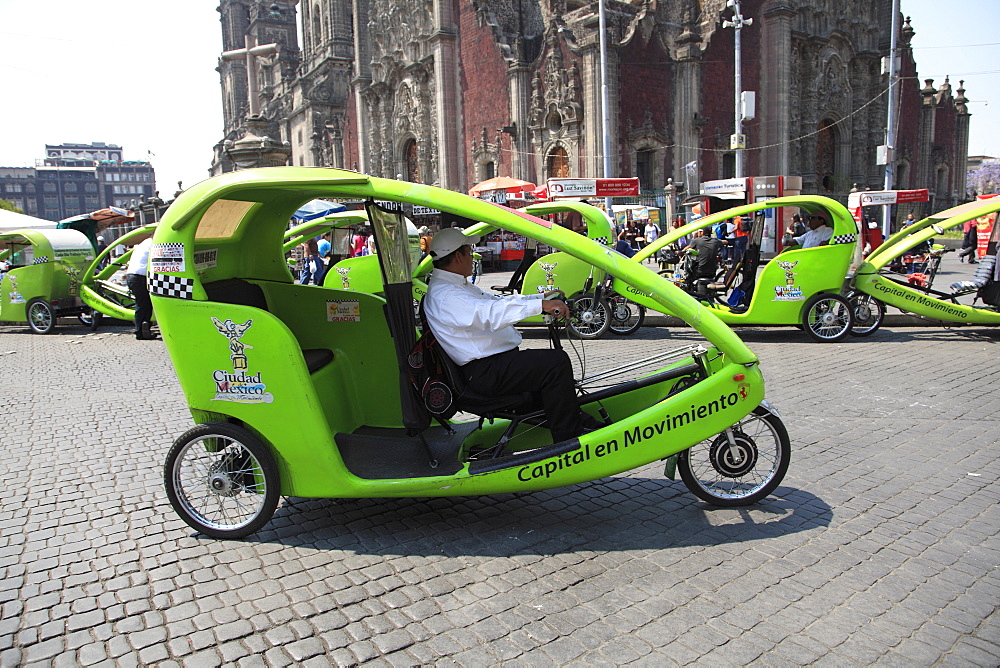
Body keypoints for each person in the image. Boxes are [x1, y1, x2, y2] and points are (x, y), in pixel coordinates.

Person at [423, 228, 598, 442]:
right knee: (555, 363)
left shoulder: (454, 285)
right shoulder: (447, 294)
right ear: (458, 256)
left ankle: (581, 422)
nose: (473, 257)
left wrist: (539, 299)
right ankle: (569, 439)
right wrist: (540, 305)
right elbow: (490, 313)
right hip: (485, 372)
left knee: (545, 370)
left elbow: (496, 302)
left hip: (492, 365)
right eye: (470, 252)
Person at [125, 237, 155, 340]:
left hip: (133, 276)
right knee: (144, 305)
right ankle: (140, 331)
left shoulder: (144, 243)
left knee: (144, 304)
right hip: (140, 277)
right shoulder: (153, 243)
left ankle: (144, 329)